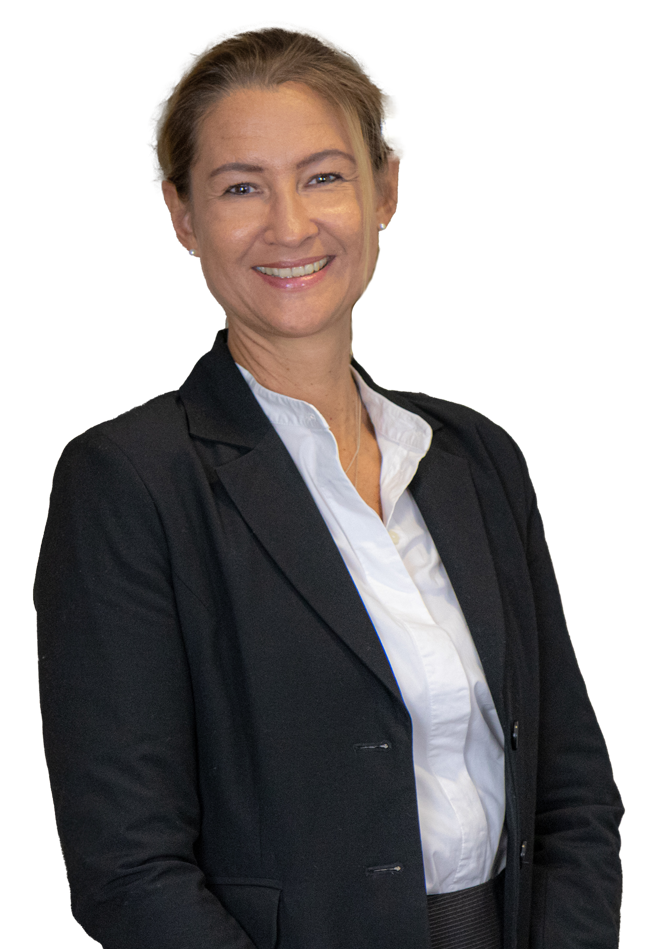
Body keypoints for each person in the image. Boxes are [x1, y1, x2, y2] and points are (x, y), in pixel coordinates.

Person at [34, 22, 624, 949]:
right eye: (240, 187)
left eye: (322, 176)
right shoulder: (128, 482)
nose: (289, 225)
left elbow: (572, 789)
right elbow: (128, 868)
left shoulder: (474, 458)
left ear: (381, 192)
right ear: (183, 216)